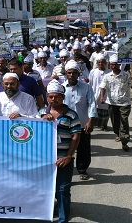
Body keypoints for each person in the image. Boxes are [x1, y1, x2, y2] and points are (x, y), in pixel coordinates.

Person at [38, 80, 80, 223]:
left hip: (63, 159)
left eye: (56, 96)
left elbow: (75, 136)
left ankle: (63, 219)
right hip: (45, 161)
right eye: (50, 97)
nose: (53, 99)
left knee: (62, 190)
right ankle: (50, 212)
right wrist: (43, 119)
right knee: (47, 190)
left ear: (62, 97)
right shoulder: (41, 112)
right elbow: (31, 129)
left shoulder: (71, 115)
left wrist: (69, 156)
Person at [62, 61, 97, 180]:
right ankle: (65, 172)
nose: (71, 75)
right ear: (66, 74)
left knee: (83, 149)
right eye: (69, 73)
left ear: (78, 74)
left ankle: (82, 170)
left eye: (74, 73)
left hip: (82, 123)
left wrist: (91, 121)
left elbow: (92, 103)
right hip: (65, 125)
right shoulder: (61, 88)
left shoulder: (86, 87)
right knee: (66, 149)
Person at [99, 54, 132, 151]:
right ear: (109, 65)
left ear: (119, 65)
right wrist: (102, 97)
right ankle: (118, 134)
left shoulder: (126, 75)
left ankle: (124, 141)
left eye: (115, 64)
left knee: (124, 121)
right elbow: (103, 87)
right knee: (115, 123)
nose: (113, 66)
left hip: (124, 103)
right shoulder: (107, 76)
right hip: (112, 103)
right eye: (112, 64)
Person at [89, 56, 111, 131]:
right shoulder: (93, 72)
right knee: (94, 109)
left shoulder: (109, 72)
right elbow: (90, 83)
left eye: (102, 62)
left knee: (105, 110)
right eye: (99, 62)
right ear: (97, 63)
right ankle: (94, 124)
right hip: (95, 93)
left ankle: (104, 125)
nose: (101, 64)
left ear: (105, 63)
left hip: (106, 94)